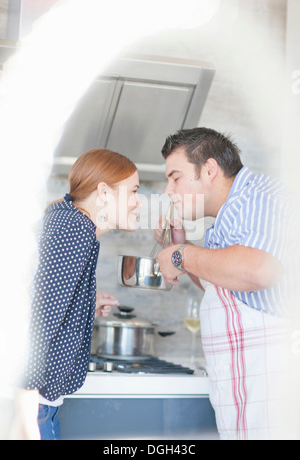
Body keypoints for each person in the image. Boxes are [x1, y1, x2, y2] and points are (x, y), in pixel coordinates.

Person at [156, 127, 297, 440]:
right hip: (253, 404)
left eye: (175, 177)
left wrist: (181, 255)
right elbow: (222, 284)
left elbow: (258, 270)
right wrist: (182, 244)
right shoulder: (230, 214)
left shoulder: (257, 200)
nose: (169, 191)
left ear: (209, 169)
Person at [21, 148, 141, 440]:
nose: (139, 203)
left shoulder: (69, 224)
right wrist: (24, 395)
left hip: (39, 404)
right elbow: (42, 318)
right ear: (103, 192)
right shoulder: (75, 229)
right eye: (134, 192)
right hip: (33, 404)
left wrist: (86, 302)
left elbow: (44, 295)